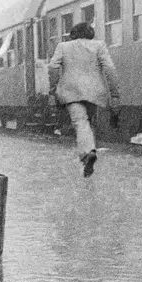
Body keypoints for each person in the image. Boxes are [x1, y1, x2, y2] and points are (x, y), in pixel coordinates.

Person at [47, 22, 119, 177]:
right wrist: (114, 94)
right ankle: (89, 151)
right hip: (95, 92)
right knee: (89, 122)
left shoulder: (63, 47)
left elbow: (52, 67)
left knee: (80, 122)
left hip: (71, 91)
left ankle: (87, 153)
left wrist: (53, 89)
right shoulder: (99, 46)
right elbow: (110, 69)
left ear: (73, 34)